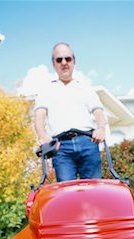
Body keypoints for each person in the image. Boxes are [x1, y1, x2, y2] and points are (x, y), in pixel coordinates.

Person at [34, 42, 107, 182]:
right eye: (59, 59)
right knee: (66, 193)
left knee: (93, 190)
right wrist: (42, 135)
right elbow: (39, 115)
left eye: (68, 59)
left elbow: (98, 112)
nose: (64, 63)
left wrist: (101, 128)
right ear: (54, 64)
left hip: (88, 142)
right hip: (61, 148)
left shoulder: (85, 87)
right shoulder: (45, 90)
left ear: (73, 62)